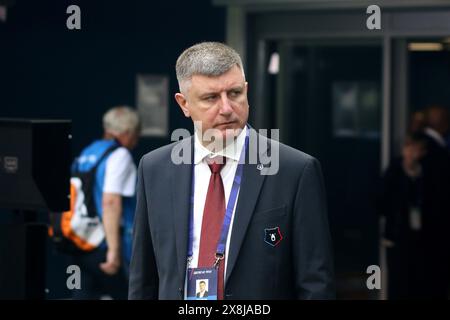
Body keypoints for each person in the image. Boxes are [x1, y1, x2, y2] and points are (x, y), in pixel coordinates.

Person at [129, 42, 335, 300]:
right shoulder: (155, 168)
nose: (226, 108)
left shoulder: (294, 170)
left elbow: (315, 284)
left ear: (246, 91)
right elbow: (143, 279)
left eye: (235, 93)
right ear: (184, 104)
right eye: (211, 98)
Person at [72, 106, 140, 299]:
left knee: (84, 294)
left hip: (82, 239)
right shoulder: (120, 155)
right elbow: (110, 202)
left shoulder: (88, 152)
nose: (136, 141)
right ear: (127, 133)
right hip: (105, 243)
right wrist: (114, 250)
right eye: (136, 134)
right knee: (128, 293)